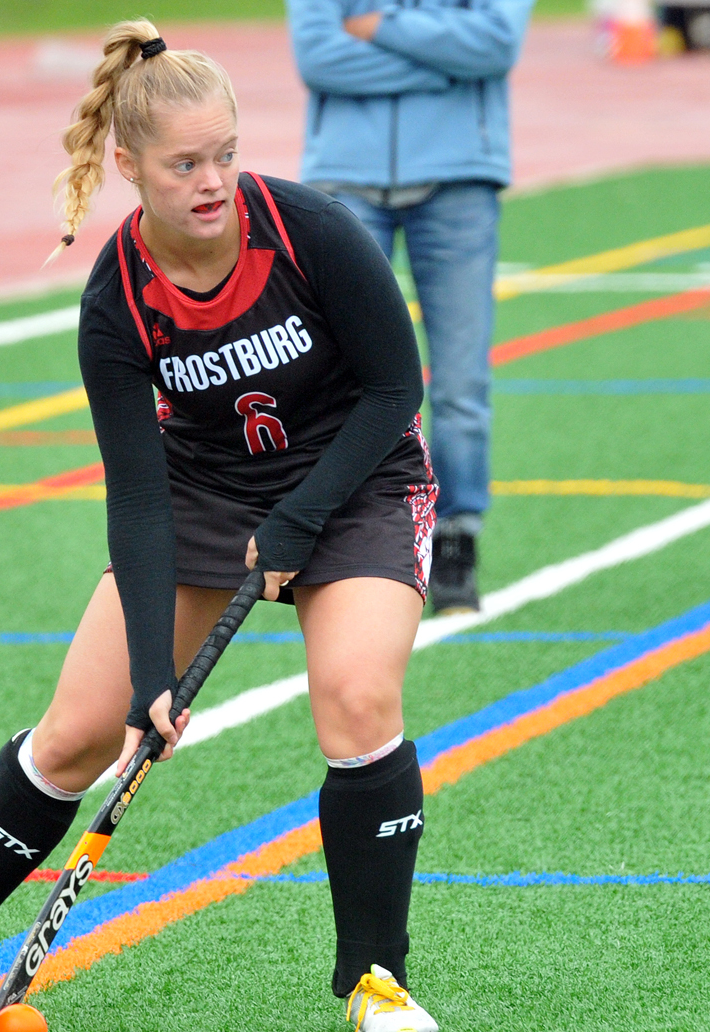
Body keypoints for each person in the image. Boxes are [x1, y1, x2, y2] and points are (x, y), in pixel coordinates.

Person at [0, 20, 443, 1032]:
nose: (212, 181)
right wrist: (155, 675)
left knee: (358, 696)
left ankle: (378, 973)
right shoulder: (118, 302)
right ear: (128, 165)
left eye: (225, 155)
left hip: (356, 482)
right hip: (203, 497)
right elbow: (141, 498)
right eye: (185, 163)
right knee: (76, 733)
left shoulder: (307, 230)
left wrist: (300, 517)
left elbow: (394, 388)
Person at [288, 0, 536, 614]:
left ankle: (455, 536)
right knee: (335, 373)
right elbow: (318, 56)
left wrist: (382, 30)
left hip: (459, 179)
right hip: (344, 180)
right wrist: (445, 65)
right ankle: (349, 536)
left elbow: (495, 45)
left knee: (458, 377)